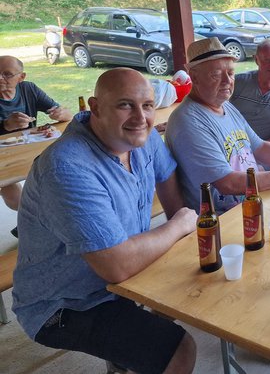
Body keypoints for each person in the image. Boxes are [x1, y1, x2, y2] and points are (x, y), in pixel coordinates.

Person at [12, 68, 198, 373]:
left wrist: (185, 240)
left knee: (190, 293)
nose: (141, 117)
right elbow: (117, 265)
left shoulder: (142, 137)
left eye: (148, 105)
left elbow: (166, 176)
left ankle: (123, 359)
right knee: (177, 349)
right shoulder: (67, 168)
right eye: (126, 105)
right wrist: (177, 226)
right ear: (95, 108)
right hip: (65, 303)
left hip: (117, 282)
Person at [166, 37, 270, 213]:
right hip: (221, 221)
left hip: (252, 203)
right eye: (216, 74)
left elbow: (259, 148)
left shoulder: (225, 106)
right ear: (194, 78)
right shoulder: (188, 121)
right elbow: (227, 183)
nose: (227, 81)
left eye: (230, 73)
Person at [0, 55, 72, 230]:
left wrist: (61, 114)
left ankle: (38, 218)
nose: (0, 78)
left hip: (29, 149)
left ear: (21, 77)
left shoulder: (28, 89)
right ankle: (34, 217)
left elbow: (66, 114)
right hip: (3, 157)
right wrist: (6, 125)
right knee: (8, 185)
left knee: (61, 169)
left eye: (7, 74)